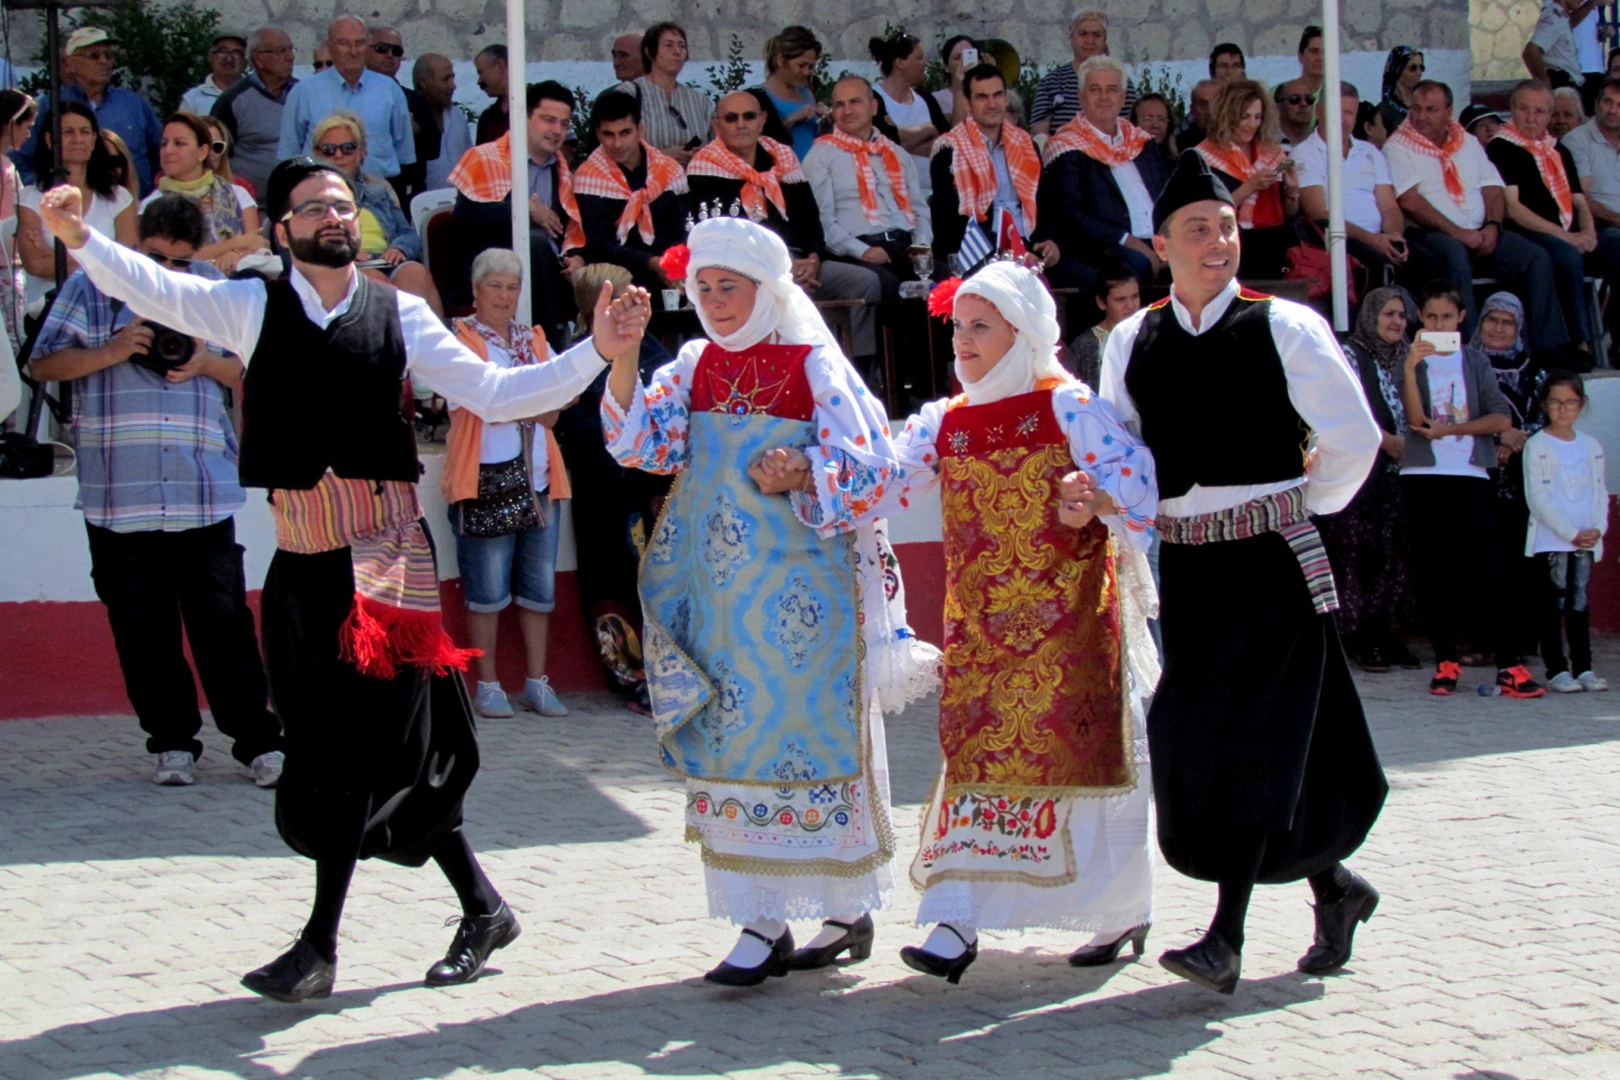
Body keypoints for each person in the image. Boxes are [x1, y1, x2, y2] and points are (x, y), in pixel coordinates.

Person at [34, 155, 652, 1002]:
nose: (334, 214)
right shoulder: (249, 304)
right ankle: (483, 905)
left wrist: (596, 351)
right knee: (361, 748)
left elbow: (499, 392)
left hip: (386, 563)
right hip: (303, 565)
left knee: (352, 751)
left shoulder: (399, 311)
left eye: (343, 203)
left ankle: (318, 946)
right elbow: (153, 289)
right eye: (315, 206)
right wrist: (79, 237)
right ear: (282, 229)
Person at [600, 215, 934, 985]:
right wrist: (621, 362)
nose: (716, 301)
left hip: (807, 599)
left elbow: (876, 468)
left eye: (731, 287)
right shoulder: (693, 365)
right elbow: (639, 446)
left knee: (809, 743)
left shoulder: (814, 364)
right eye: (705, 287)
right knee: (734, 744)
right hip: (722, 600)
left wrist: (806, 470)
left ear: (767, 290)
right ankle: (762, 918)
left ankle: (844, 911)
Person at [1098, 151, 1388, 995]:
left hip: (1271, 563)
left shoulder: (1284, 326)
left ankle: (1225, 936)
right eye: (1199, 228)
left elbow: (1355, 438)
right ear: (1162, 244)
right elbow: (1120, 451)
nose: (1219, 241)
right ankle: (1335, 889)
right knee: (1196, 729)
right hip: (1189, 565)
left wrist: (1296, 506)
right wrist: (1104, 494)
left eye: (1226, 226)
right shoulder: (1131, 338)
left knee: (1258, 736)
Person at [823, 257, 1158, 982]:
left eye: (982, 328)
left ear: (1026, 331)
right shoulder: (948, 420)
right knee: (976, 762)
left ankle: (1116, 911)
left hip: (1070, 626)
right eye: (959, 329)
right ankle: (955, 917)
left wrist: (1091, 494)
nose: (964, 342)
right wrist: (808, 474)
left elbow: (1138, 483)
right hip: (983, 635)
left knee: (1086, 768)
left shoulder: (1066, 406)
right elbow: (879, 484)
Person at [27, 193, 282, 788]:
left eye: (180, 261)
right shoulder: (93, 286)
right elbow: (41, 364)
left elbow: (258, 368)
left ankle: (258, 743)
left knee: (223, 623)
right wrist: (113, 350)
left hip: (200, 488)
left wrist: (205, 363)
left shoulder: (214, 295)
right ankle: (171, 744)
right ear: (137, 246)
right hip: (120, 493)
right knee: (142, 629)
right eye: (155, 257)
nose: (167, 272)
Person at [1398, 280, 1543, 698]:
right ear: (1421, 320)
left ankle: (1509, 664)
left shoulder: (1475, 361)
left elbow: (1500, 419)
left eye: (1446, 316)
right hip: (1423, 477)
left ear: (1461, 318)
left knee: (1489, 570)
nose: (1438, 323)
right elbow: (1414, 419)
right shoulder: (1413, 362)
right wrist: (1409, 368)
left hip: (1470, 473)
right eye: (1430, 317)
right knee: (1434, 570)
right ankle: (1445, 662)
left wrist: (1452, 430)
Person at [444, 248, 571, 719]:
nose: (503, 295)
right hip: (483, 480)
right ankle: (489, 684)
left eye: (511, 286)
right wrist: (524, 402)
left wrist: (512, 401)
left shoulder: (532, 340)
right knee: (486, 590)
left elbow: (557, 406)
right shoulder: (458, 340)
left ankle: (538, 683)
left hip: (537, 479)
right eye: (494, 285)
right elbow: (479, 402)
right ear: (476, 290)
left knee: (539, 590)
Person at [689, 90, 886, 374]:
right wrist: (777, 269)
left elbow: (810, 217)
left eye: (749, 116)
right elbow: (718, 241)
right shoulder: (703, 168)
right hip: (746, 272)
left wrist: (815, 258)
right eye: (731, 118)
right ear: (717, 125)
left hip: (804, 263)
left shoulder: (783, 157)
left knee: (864, 282)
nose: (741, 124)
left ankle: (855, 375)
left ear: (762, 120)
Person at [551, 264, 672, 714]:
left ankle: (669, 676)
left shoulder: (652, 349)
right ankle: (630, 677)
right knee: (608, 582)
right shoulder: (577, 356)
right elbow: (578, 427)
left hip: (646, 487)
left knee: (655, 580)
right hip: (599, 488)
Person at [1385, 80, 1569, 347]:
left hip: (1481, 231)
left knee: (1535, 257)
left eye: (1431, 109)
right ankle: (1471, 350)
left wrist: (1493, 226)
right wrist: (1459, 233)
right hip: (1431, 233)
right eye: (1416, 108)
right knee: (1455, 257)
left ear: (1449, 111)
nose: (1421, 116)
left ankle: (1548, 348)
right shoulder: (1397, 146)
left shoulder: (1467, 142)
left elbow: (1493, 188)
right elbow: (1411, 202)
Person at [1315, 286, 1421, 672]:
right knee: (1356, 557)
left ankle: (1387, 634)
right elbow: (1345, 409)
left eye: (1402, 315)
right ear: (1371, 315)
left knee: (1392, 558)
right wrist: (1387, 441)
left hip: (1397, 478)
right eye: (1388, 314)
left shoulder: (1409, 358)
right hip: (1360, 477)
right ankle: (1360, 638)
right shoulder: (1351, 356)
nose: (1396, 322)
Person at [1486, 79, 1620, 354]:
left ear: (1549, 114)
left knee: (1617, 245)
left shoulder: (1556, 149)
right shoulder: (1502, 147)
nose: (1532, 118)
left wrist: (1589, 234)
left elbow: (1580, 202)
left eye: (1539, 111)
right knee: (1567, 256)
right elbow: (1514, 208)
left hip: (1570, 232)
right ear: (1512, 109)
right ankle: (1579, 344)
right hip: (1528, 233)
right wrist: (1568, 237)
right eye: (1525, 109)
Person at [448, 81, 585, 349]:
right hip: (491, 266)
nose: (557, 131)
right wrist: (523, 208)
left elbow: (569, 230)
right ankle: (545, 351)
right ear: (524, 117)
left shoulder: (562, 170)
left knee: (605, 280)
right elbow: (465, 216)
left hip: (551, 269)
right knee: (533, 243)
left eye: (564, 124)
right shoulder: (485, 157)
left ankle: (604, 373)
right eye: (548, 120)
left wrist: (577, 257)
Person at [1039, 55, 1170, 295]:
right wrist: (1131, 242)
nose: (1103, 97)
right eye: (1094, 89)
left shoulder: (1141, 141)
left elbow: (1167, 195)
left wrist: (1171, 241)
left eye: (1111, 89)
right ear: (1081, 97)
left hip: (1158, 239)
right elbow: (1072, 215)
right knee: (1134, 268)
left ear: (1122, 97)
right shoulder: (1067, 147)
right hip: (1106, 246)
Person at [803, 75, 931, 299]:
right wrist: (864, 251)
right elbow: (821, 222)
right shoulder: (821, 155)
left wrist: (921, 245)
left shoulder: (895, 153)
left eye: (855, 102)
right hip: (857, 251)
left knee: (947, 282)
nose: (847, 110)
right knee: (887, 286)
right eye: (839, 104)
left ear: (873, 107)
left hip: (905, 247)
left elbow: (919, 209)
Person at [1472, 291, 1548, 665]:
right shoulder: (1464, 366)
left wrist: (1514, 441)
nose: (1499, 329)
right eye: (1492, 320)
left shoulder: (1535, 371)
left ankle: (1517, 642)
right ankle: (1482, 641)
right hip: (1475, 475)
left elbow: (1544, 420)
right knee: (1482, 559)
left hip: (1521, 481)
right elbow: (1457, 413)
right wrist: (1497, 436)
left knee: (1520, 560)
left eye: (1508, 322)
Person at [310, 109, 444, 316]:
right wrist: (338, 254)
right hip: (341, 268)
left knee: (416, 274)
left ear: (361, 151)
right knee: (375, 282)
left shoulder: (378, 192)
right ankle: (393, 346)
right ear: (317, 153)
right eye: (329, 149)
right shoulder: (305, 196)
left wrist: (399, 248)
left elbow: (408, 234)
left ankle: (430, 345)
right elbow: (291, 244)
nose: (338, 155)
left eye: (348, 148)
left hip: (386, 260)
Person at [1525, 370, 1608, 692]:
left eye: (1570, 402)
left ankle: (1584, 667)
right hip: (1552, 540)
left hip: (1585, 539)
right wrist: (1569, 532)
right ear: (1545, 404)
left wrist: (1597, 529)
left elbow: (1599, 491)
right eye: (1556, 402)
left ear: (1581, 404)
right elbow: (1538, 497)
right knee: (1552, 603)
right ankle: (1557, 669)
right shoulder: (1538, 445)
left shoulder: (1591, 446)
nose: (1563, 409)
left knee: (1579, 601)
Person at [930, 64, 1055, 272]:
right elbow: (953, 223)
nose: (992, 104)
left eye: (997, 95)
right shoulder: (949, 149)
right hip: (980, 252)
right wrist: (1013, 252)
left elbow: (1046, 201)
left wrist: (1051, 241)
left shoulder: (1025, 143)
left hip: (1030, 246)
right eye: (982, 97)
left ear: (1006, 99)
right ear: (967, 103)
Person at [1297, 83, 1418, 288]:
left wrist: (1394, 235)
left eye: (1349, 113)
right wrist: (1373, 240)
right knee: (1382, 266)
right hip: (1338, 240)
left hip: (1379, 238)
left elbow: (1389, 207)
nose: (1342, 120)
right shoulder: (1305, 153)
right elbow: (1317, 213)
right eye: (1336, 111)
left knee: (1428, 262)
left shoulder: (1370, 152)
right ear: (1319, 111)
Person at [16, 27, 163, 196]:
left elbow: (161, 154)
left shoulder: (133, 103)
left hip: (135, 207)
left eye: (108, 55)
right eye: (94, 55)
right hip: (71, 209)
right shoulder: (52, 106)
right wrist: (44, 191)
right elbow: (21, 159)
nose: (104, 61)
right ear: (70, 63)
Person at [17, 103, 136, 308]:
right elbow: (36, 264)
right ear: (49, 139)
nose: (78, 139)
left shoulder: (119, 198)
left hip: (105, 306)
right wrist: (104, 255)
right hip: (46, 309)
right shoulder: (29, 198)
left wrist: (56, 256)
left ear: (94, 140)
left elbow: (127, 264)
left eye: (85, 131)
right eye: (68, 132)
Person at [573, 89, 690, 293]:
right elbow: (599, 243)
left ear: (640, 130)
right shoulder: (588, 175)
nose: (617, 144)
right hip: (616, 277)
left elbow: (682, 228)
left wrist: (672, 262)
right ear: (598, 134)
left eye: (625, 133)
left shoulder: (670, 170)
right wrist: (649, 261)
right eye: (608, 134)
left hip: (670, 271)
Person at [279, 15, 414, 184]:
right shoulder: (303, 93)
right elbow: (290, 158)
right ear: (330, 46)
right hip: (321, 195)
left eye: (360, 43)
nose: (353, 51)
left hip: (379, 195)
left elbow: (405, 155)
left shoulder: (390, 90)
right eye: (344, 43)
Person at [1193, 80, 1299, 277]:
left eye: (1257, 117)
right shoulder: (1204, 156)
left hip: (1274, 235)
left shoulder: (1272, 153)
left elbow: (1289, 215)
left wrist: (1292, 192)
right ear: (1228, 116)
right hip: (1230, 238)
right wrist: (1250, 186)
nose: (1252, 124)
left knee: (1299, 233)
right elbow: (1207, 212)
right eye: (1245, 117)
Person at [143, 113, 265, 274]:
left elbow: (257, 244)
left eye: (179, 143)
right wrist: (237, 243)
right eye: (164, 144)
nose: (168, 151)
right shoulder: (152, 205)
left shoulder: (237, 194)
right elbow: (178, 257)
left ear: (202, 151)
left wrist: (235, 254)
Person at [212, 27, 298, 205]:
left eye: (291, 49)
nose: (290, 57)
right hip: (251, 206)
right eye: (281, 51)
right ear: (259, 59)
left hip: (299, 203)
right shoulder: (233, 101)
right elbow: (215, 156)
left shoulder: (303, 94)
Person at [614, 23, 712, 167]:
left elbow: (715, 146)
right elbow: (614, 146)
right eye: (669, 45)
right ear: (648, 52)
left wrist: (701, 153)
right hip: (646, 184)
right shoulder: (627, 94)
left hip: (691, 184)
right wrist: (661, 155)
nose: (677, 51)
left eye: (682, 46)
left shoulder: (699, 101)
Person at [1031, 10, 1135, 136]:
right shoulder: (1051, 83)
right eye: (1083, 34)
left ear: (1105, 40)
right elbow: (1040, 134)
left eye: (1096, 35)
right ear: (1071, 37)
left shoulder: (1119, 81)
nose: (1089, 41)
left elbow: (1132, 126)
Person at [870, 31, 948, 197]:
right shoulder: (873, 99)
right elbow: (882, 144)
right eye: (919, 58)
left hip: (931, 196)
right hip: (891, 197)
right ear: (900, 62)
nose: (925, 63)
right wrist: (928, 129)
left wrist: (903, 140)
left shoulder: (926, 100)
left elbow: (945, 145)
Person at [368, 26, 433, 201]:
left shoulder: (415, 100)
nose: (390, 55)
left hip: (406, 192)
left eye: (396, 51)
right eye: (381, 48)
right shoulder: (351, 96)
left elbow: (434, 148)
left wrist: (414, 131)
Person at [749, 26, 827, 161]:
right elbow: (757, 142)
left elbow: (814, 136)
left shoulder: (806, 94)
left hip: (813, 174)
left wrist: (826, 121)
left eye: (810, 67)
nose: (806, 72)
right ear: (780, 60)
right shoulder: (758, 96)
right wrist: (792, 119)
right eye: (801, 65)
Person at [1564, 77, 1620, 249]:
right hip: (1599, 227)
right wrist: (1616, 219)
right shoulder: (1577, 140)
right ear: (1596, 104)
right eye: (1607, 102)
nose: (1612, 110)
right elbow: (1582, 197)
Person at [0, 89, 37, 347]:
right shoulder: (5, 169)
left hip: (9, 262)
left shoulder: (7, 165)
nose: (29, 134)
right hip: (5, 267)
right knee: (12, 342)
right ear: (11, 123)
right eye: (27, 126)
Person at [1068, 260, 1139, 386]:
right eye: (1120, 300)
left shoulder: (1151, 334)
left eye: (1134, 296)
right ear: (1101, 302)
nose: (1130, 306)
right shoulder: (1086, 345)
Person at [413, 54, 472, 193]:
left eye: (453, 78)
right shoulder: (409, 119)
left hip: (458, 206)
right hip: (420, 207)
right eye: (446, 79)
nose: (453, 86)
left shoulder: (457, 117)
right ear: (423, 82)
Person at [1525, 0, 1587, 94]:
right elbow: (1531, 50)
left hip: (1568, 83)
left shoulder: (1562, 17)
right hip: (1561, 82)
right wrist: (1545, 83)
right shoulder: (1554, 16)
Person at [180, 31, 248, 117]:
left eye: (236, 53)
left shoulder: (256, 96)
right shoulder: (193, 99)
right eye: (222, 52)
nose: (229, 59)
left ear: (245, 61)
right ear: (210, 57)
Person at [1378, 46, 1425, 134]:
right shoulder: (1384, 111)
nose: (1419, 73)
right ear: (1397, 70)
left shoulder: (1425, 104)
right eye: (1413, 68)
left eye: (1421, 67)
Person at [932, 35, 977, 128]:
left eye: (969, 55)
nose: (964, 62)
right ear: (946, 67)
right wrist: (959, 89)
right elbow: (957, 129)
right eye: (957, 58)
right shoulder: (938, 99)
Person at [473, 45, 510, 144]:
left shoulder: (537, 109)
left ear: (499, 66)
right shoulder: (488, 118)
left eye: (480, 72)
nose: (479, 81)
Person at [1176, 79, 1219, 160]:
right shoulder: (1179, 146)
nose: (1210, 111)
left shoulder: (1240, 140)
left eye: (1216, 104)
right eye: (1202, 105)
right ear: (1192, 109)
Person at [1131, 93, 1176, 166]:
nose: (1155, 125)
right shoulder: (1128, 165)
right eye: (1147, 119)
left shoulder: (1177, 165)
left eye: (1161, 119)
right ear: (1134, 124)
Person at [1274, 79, 1315, 148]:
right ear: (1278, 106)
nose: (1304, 104)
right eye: (1295, 99)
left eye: (1309, 99)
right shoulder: (1266, 144)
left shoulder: (1325, 143)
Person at [1296, 25, 1326, 97]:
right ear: (1300, 55)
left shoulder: (1339, 96)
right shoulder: (1281, 93)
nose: (1320, 58)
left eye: (1325, 53)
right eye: (1314, 51)